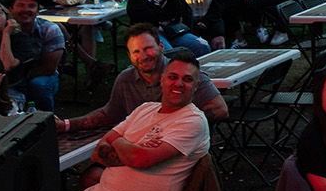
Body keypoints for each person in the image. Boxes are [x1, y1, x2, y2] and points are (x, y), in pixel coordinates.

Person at [61, 50, 210, 191]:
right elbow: (97, 154)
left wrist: (119, 142)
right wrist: (134, 149)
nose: (179, 84)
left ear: (196, 86)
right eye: (173, 77)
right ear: (162, 80)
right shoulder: (144, 109)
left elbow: (138, 159)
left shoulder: (192, 121)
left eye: (187, 79)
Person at [57, 24, 228, 135]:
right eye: (136, 52)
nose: (144, 56)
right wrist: (66, 125)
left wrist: (174, 126)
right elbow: (107, 116)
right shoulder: (125, 79)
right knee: (92, 176)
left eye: (148, 48)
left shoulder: (185, 74)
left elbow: (220, 109)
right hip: (139, 148)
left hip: (181, 149)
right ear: (129, 55)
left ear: (161, 46)